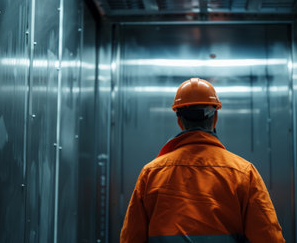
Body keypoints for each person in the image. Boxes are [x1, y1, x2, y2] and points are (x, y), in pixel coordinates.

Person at [120, 78, 285, 243]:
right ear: (215, 118)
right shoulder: (244, 173)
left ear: (179, 121)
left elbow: (130, 238)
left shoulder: (151, 174)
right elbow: (269, 238)